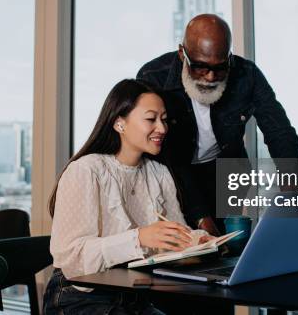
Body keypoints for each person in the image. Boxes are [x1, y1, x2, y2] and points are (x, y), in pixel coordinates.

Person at [43, 79, 211, 315]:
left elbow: (175, 235)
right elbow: (72, 258)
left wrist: (200, 241)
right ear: (119, 123)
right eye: (151, 119)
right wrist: (139, 238)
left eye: (163, 119)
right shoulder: (87, 170)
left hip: (133, 296)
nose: (162, 128)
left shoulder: (158, 172)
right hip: (79, 296)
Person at [137, 14, 298, 235]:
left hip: (225, 171)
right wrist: (201, 216)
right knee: (185, 244)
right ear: (181, 54)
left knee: (224, 244)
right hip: (172, 173)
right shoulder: (153, 77)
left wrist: (292, 198)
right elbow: (170, 157)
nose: (210, 77)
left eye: (220, 67)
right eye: (200, 67)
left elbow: (280, 132)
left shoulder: (247, 75)